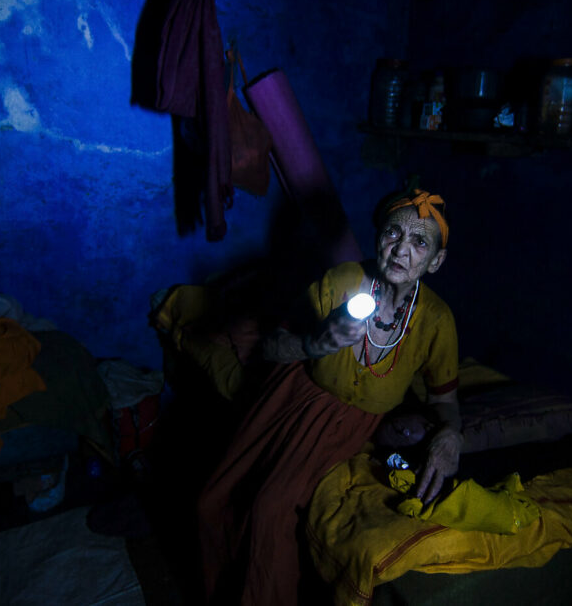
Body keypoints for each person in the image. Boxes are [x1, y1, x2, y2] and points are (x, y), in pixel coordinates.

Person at [197, 188, 463, 605]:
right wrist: (316, 344)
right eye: (393, 233)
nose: (401, 250)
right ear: (377, 235)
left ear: (436, 261)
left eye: (419, 242)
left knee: (270, 510)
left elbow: (445, 400)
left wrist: (452, 435)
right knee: (214, 499)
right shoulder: (340, 283)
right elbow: (271, 346)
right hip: (291, 397)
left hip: (349, 424)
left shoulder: (436, 321)